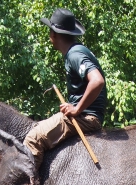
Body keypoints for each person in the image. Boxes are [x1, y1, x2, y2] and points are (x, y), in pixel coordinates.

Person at [24, 8, 106, 169]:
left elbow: (97, 81)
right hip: (88, 114)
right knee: (38, 127)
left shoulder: (74, 54)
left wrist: (76, 109)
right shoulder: (77, 51)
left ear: (53, 34)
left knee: (32, 139)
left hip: (86, 117)